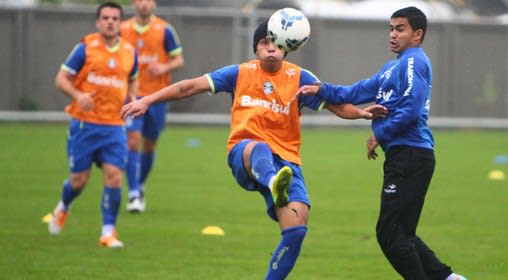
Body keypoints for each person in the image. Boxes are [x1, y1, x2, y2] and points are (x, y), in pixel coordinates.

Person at [121, 20, 386, 279]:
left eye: (275, 43)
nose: (270, 47)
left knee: (296, 230)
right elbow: (189, 86)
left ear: (286, 47)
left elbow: (335, 104)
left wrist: (361, 113)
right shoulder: (239, 73)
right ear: (255, 48)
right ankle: (272, 182)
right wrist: (148, 100)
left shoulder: (300, 77)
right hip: (244, 153)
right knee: (258, 147)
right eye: (264, 42)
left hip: (287, 162)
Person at [297, 6, 467, 280]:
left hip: (411, 154)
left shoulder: (414, 62)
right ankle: (448, 278)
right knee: (401, 233)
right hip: (404, 157)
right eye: (391, 28)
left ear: (417, 34)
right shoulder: (392, 68)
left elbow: (412, 108)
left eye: (400, 29)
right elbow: (355, 91)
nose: (392, 34)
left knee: (390, 234)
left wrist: (380, 133)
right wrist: (322, 89)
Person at [46, 1, 138, 249]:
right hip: (85, 125)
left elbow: (132, 79)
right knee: (79, 181)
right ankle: (64, 206)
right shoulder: (85, 48)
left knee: (114, 177)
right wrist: (78, 96)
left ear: (120, 23)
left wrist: (132, 97)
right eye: (106, 18)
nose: (110, 22)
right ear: (98, 22)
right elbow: (61, 78)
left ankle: (108, 232)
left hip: (114, 126)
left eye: (115, 18)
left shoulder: (130, 51)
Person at [120, 0, 184, 213]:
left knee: (149, 145)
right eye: (140, 0)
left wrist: (165, 66)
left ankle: (140, 184)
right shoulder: (123, 29)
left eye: (148, 0)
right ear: (133, 3)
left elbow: (179, 59)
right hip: (132, 96)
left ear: (154, 3)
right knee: (132, 141)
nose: (144, 4)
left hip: (156, 98)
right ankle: (134, 193)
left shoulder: (164, 29)